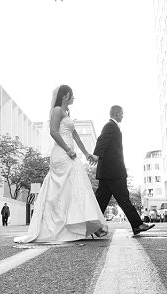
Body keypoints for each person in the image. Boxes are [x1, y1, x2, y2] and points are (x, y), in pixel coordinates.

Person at [14, 86, 108, 243]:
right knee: (67, 190)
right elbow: (53, 132)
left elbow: (76, 136)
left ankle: (86, 226)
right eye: (72, 95)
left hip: (70, 154)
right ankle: (79, 227)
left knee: (76, 188)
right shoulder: (57, 110)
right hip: (61, 154)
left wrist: (87, 154)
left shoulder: (67, 113)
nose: (74, 98)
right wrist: (67, 149)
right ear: (65, 96)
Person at [93, 105, 154, 236]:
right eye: (122, 113)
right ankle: (137, 225)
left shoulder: (112, 126)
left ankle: (93, 227)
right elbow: (101, 141)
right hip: (113, 172)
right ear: (116, 113)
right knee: (123, 198)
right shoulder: (110, 126)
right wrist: (96, 155)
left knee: (100, 202)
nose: (123, 116)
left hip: (109, 172)